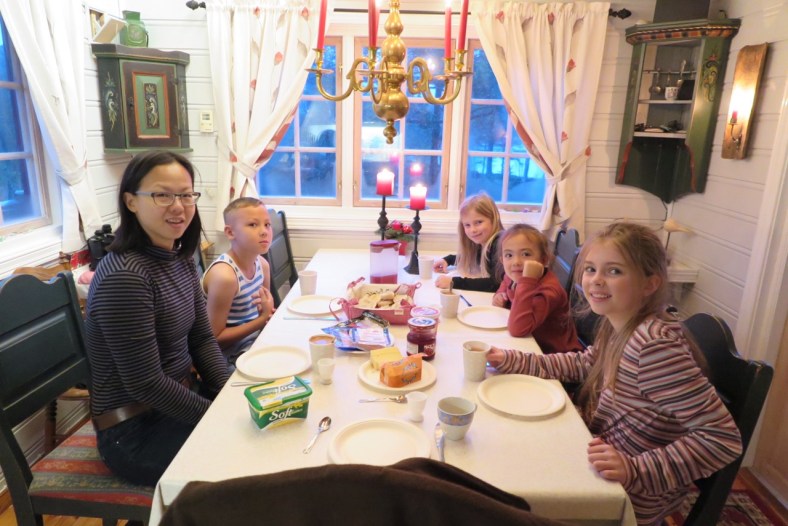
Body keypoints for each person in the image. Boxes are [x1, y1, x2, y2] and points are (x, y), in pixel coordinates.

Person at [486, 222, 742, 526]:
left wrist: (634, 469)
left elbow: (722, 439)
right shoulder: (621, 324)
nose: (596, 280)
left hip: (623, 496)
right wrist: (511, 360)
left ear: (650, 284)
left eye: (614, 271)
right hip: (598, 454)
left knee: (495, 494)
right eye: (590, 269)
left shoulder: (654, 347)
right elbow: (583, 363)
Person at [85, 151, 230, 487]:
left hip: (177, 402)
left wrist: (226, 395)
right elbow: (146, 383)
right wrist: (216, 417)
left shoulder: (178, 256)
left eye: (186, 195)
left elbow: (201, 339)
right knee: (249, 458)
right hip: (135, 433)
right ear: (131, 202)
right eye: (163, 195)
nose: (178, 207)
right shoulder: (126, 276)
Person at [203, 197, 275, 364]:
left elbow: (263, 313)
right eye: (253, 224)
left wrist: (267, 314)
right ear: (230, 232)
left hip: (253, 342)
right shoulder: (225, 277)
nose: (264, 231)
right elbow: (214, 339)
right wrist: (262, 319)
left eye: (267, 224)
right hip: (225, 358)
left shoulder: (262, 265)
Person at [492, 224, 582, 354]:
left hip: (555, 355)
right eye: (509, 255)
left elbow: (518, 329)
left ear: (543, 260)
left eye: (526, 254)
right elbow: (506, 281)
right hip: (530, 345)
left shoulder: (548, 291)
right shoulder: (516, 275)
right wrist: (500, 295)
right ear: (502, 260)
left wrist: (527, 281)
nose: (516, 262)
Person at [433, 193, 504, 292]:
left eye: (479, 222)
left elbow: (496, 283)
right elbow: (474, 257)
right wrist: (448, 260)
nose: (473, 230)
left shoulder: (499, 244)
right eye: (467, 225)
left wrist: (454, 282)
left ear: (493, 219)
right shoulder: (484, 242)